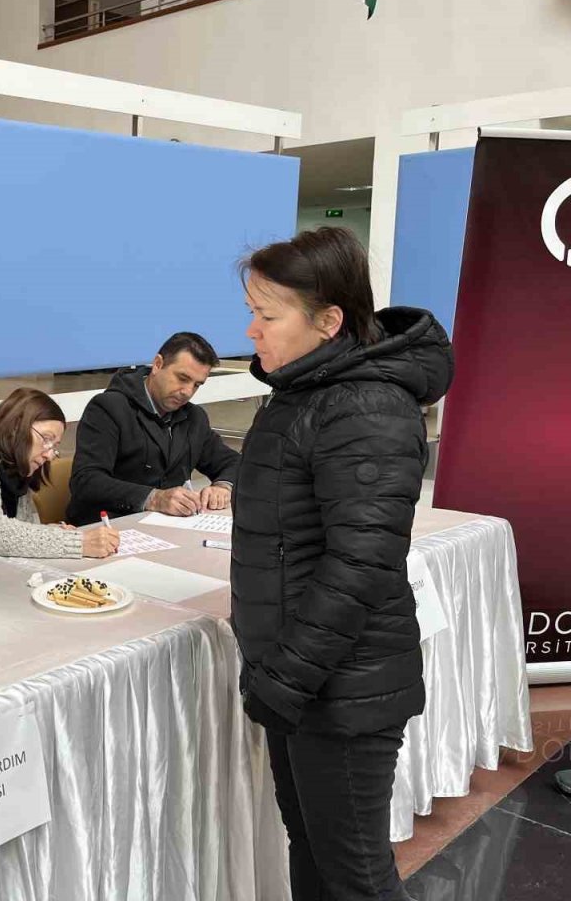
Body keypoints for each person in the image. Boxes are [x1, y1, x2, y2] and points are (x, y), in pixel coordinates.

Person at [232, 227, 452, 901]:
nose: (252, 330)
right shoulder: (304, 390)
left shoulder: (366, 404)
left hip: (341, 686)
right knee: (311, 847)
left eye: (268, 316)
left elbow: (361, 562)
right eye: (252, 311)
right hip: (303, 677)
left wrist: (285, 677)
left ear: (328, 322)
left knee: (356, 874)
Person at [66, 331, 239, 527]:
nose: (187, 392)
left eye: (197, 385)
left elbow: (234, 462)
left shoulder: (194, 418)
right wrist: (153, 498)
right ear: (157, 364)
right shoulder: (108, 408)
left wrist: (223, 486)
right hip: (107, 528)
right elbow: (87, 481)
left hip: (168, 529)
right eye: (182, 378)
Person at [0, 388, 119, 558]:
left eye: (54, 446)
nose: (49, 455)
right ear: (16, 426)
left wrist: (50, 532)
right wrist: (76, 543)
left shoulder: (14, 465)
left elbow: (17, 531)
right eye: (46, 439)